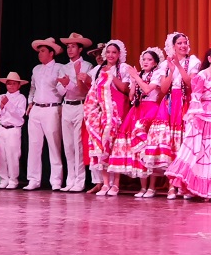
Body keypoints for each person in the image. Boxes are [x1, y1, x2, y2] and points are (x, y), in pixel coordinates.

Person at [165, 42, 211, 199]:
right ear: (209, 58)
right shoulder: (201, 76)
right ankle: (204, 189)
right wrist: (195, 116)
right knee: (205, 150)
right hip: (205, 115)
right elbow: (196, 96)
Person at [81, 40, 131, 196]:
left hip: (118, 110)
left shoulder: (123, 68)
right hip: (102, 111)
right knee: (101, 145)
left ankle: (115, 183)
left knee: (115, 145)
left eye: (114, 52)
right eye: (108, 52)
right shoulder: (97, 70)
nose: (111, 55)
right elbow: (93, 91)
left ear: (119, 54)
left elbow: (125, 88)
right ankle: (105, 183)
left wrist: (110, 76)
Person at [120, 47, 166, 197]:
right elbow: (132, 96)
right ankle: (143, 187)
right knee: (138, 149)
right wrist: (133, 81)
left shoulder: (158, 74)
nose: (145, 62)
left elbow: (147, 90)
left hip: (151, 110)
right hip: (138, 109)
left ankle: (152, 187)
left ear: (155, 63)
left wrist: (136, 77)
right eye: (144, 59)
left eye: (149, 60)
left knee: (150, 147)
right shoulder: (139, 75)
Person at [160, 32, 201, 199]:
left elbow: (191, 83)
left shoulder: (194, 61)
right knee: (173, 145)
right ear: (173, 46)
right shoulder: (165, 64)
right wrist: (171, 70)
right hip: (171, 104)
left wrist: (179, 66)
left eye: (185, 42)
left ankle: (186, 185)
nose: (183, 45)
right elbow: (163, 89)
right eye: (179, 43)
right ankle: (171, 185)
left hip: (186, 102)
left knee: (186, 144)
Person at [25, 37, 65, 191]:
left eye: (42, 51)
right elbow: (33, 88)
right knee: (34, 145)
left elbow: (62, 88)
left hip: (52, 108)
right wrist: (30, 102)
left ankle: (56, 180)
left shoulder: (59, 68)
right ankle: (33, 179)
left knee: (54, 145)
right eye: (39, 51)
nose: (39, 54)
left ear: (51, 53)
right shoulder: (36, 69)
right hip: (36, 108)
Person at [58, 33, 94, 192]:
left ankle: (80, 180)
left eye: (73, 46)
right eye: (68, 47)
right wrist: (66, 85)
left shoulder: (87, 66)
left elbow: (85, 91)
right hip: (66, 106)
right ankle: (70, 179)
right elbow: (60, 90)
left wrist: (70, 84)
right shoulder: (63, 67)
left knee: (78, 143)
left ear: (80, 49)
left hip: (80, 105)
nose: (70, 49)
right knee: (68, 144)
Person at [0, 72, 28, 189]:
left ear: (19, 85)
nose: (11, 86)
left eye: (14, 84)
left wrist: (8, 104)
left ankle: (13, 179)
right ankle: (3, 179)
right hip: (2, 128)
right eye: (9, 84)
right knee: (1, 156)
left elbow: (20, 114)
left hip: (14, 129)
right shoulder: (1, 97)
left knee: (12, 155)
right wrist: (1, 106)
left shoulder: (21, 98)